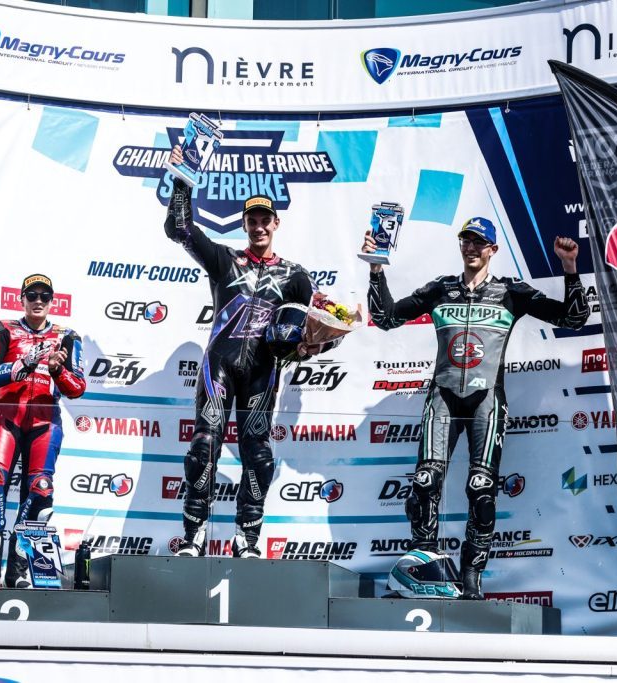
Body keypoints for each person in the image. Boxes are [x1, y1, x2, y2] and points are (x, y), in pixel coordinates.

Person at [364, 217, 588, 599]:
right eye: (466, 241)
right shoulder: (440, 289)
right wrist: (375, 268)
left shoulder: (510, 292)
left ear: (492, 250)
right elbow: (385, 318)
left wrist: (569, 268)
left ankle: (471, 579)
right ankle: (422, 567)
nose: (471, 248)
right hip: (443, 397)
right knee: (425, 482)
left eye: (479, 242)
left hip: (487, 401)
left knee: (482, 490)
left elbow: (573, 318)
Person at [165, 145, 336, 558]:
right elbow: (179, 229)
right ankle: (193, 534)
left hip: (262, 372)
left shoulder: (295, 275)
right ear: (244, 224)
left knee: (258, 453)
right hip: (219, 367)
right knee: (204, 445)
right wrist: (183, 180)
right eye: (252, 220)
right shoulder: (224, 260)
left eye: (265, 220)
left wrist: (311, 345)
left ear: (276, 223)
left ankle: (248, 538)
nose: (259, 227)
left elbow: (320, 326)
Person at [0, 274, 86, 587]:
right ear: (21, 299)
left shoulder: (68, 336)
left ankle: (20, 570)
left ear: (52, 301)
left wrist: (57, 370)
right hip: (6, 418)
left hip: (45, 422)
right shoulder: (0, 328)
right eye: (32, 295)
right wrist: (21, 365)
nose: (38, 301)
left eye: (44, 296)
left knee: (40, 492)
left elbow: (77, 388)